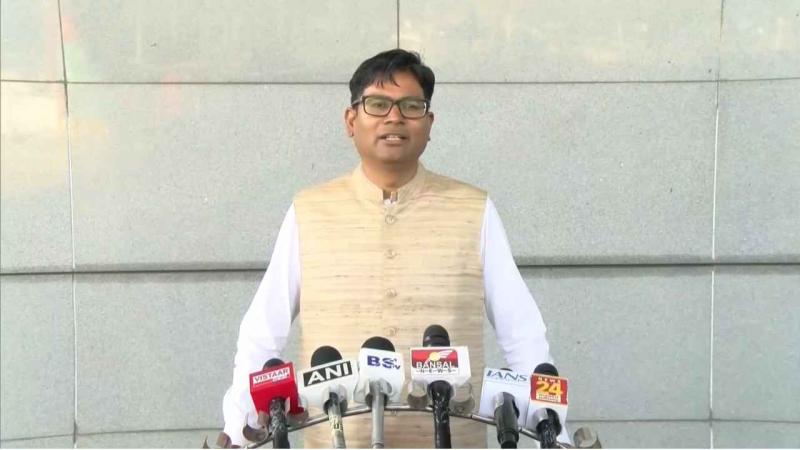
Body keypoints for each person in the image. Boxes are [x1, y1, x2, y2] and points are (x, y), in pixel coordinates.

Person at [222, 49, 554, 448]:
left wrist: (551, 428)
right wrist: (237, 427)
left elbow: (522, 332)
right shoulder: (309, 211)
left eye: (411, 106)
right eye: (378, 104)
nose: (394, 117)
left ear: (429, 124)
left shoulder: (474, 209)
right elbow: (262, 332)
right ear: (351, 121)